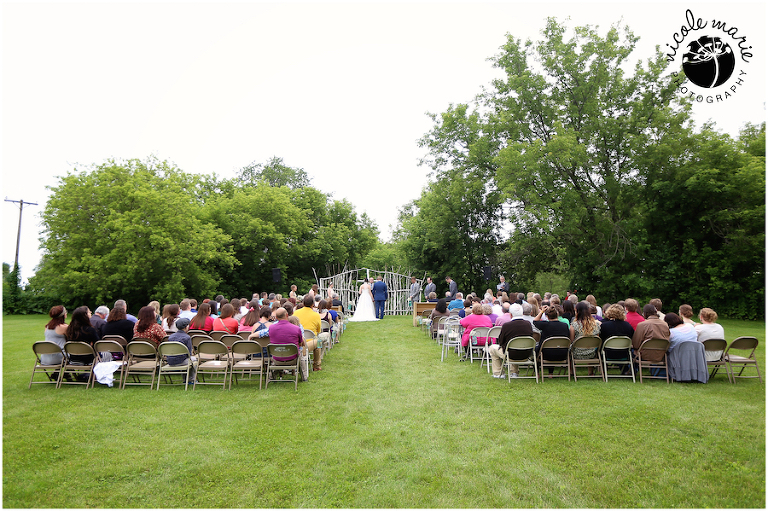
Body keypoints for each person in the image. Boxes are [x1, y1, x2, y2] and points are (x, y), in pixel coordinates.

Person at [257, 307, 305, 379]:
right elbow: (301, 343)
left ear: (276, 317)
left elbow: (262, 333)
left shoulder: (271, 328)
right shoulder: (296, 328)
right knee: (301, 355)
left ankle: (271, 376)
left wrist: (251, 335)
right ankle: (304, 377)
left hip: (277, 359)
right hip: (293, 358)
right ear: (287, 315)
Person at [489, 303, 533, 378]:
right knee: (514, 346)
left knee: (492, 348)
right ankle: (514, 372)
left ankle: (498, 373)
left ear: (511, 314)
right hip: (526, 353)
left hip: (511, 354)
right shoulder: (528, 324)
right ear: (522, 313)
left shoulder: (507, 326)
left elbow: (501, 341)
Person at [533, 304, 571, 377]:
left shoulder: (545, 325)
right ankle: (550, 373)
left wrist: (542, 311)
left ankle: (537, 374)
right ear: (557, 315)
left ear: (547, 316)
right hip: (562, 353)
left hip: (546, 354)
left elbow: (535, 321)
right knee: (554, 346)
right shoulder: (564, 325)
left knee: (536, 350)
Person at [293, 295, 323, 371]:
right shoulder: (316, 315)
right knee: (318, 342)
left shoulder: (295, 313)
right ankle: (316, 365)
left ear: (303, 303)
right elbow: (318, 330)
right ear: (313, 304)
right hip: (307, 343)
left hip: (296, 343)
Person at [570, 301, 601, 374]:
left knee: (570, 349)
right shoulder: (596, 325)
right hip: (592, 353)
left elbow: (571, 340)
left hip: (577, 353)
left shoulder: (574, 325)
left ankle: (571, 372)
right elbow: (597, 340)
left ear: (577, 312)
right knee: (591, 345)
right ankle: (590, 371)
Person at [165, 317, 197, 384]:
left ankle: (185, 379)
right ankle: (191, 379)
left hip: (170, 360)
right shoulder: (187, 337)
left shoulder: (171, 337)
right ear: (186, 327)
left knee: (186, 358)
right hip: (181, 361)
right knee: (193, 359)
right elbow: (189, 353)